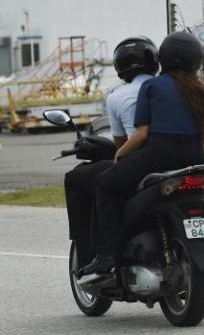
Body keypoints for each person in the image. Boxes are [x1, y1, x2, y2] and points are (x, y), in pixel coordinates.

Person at [79, 31, 204, 278]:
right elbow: (202, 134)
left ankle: (106, 255)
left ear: (163, 58)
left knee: (105, 184)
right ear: (196, 60)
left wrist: (119, 155)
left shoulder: (152, 85)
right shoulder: (202, 91)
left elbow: (141, 134)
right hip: (196, 156)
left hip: (159, 155)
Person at [64, 36, 159, 267]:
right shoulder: (171, 88)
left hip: (141, 160)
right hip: (186, 158)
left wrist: (119, 154)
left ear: (121, 66)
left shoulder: (118, 96)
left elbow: (123, 141)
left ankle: (95, 253)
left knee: (79, 179)